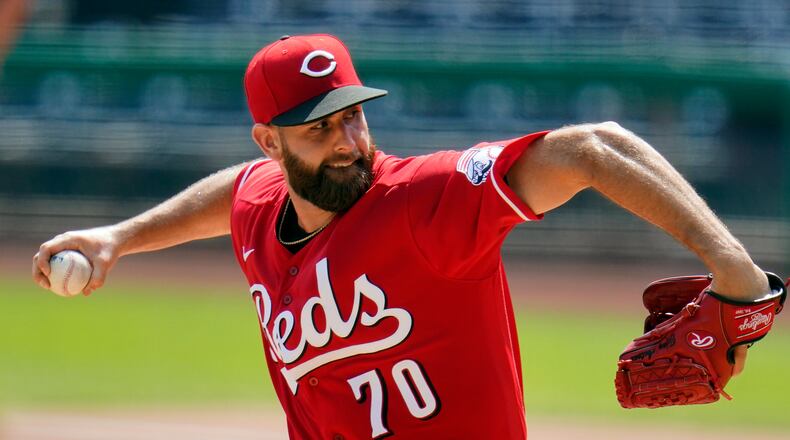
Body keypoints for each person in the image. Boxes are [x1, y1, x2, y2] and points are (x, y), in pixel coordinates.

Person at [32, 34, 772, 439]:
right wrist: (118, 237)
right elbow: (234, 192)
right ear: (270, 143)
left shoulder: (427, 202)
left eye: (353, 114)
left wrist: (737, 273)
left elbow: (592, 147)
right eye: (319, 129)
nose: (349, 139)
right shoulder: (261, 204)